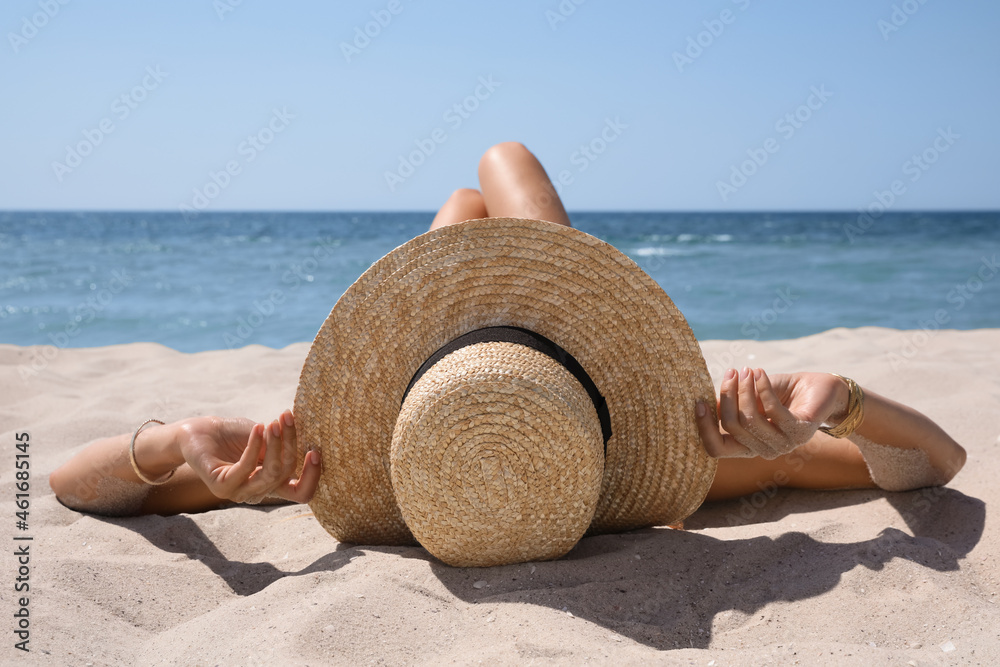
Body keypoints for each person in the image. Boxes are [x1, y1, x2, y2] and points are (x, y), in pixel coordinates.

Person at [48, 142, 967, 520]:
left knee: (475, 190)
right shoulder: (690, 460)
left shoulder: (327, 471)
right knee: (503, 162)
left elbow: (64, 487)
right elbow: (931, 463)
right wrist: (839, 401)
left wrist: (170, 441)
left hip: (468, 379)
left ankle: (473, 238)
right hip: (515, 376)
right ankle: (493, 234)